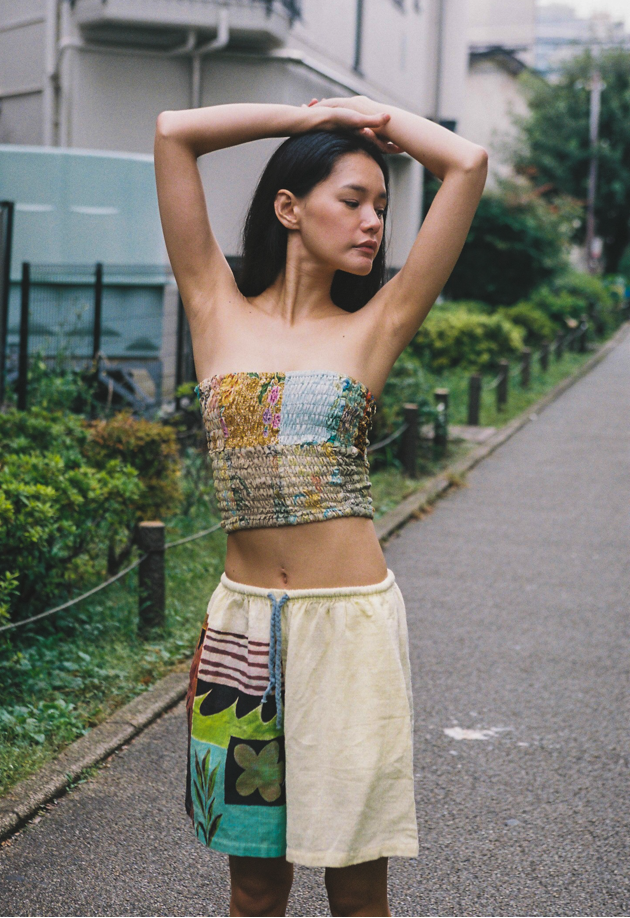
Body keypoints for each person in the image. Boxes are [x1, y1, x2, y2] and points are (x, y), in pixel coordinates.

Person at [154, 96, 487, 918]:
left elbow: (467, 164)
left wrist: (372, 116)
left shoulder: (376, 325)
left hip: (349, 632)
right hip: (241, 630)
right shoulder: (214, 306)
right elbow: (173, 134)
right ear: (289, 208)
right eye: (353, 200)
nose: (374, 222)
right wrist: (305, 118)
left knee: (357, 889)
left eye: (383, 206)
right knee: (254, 889)